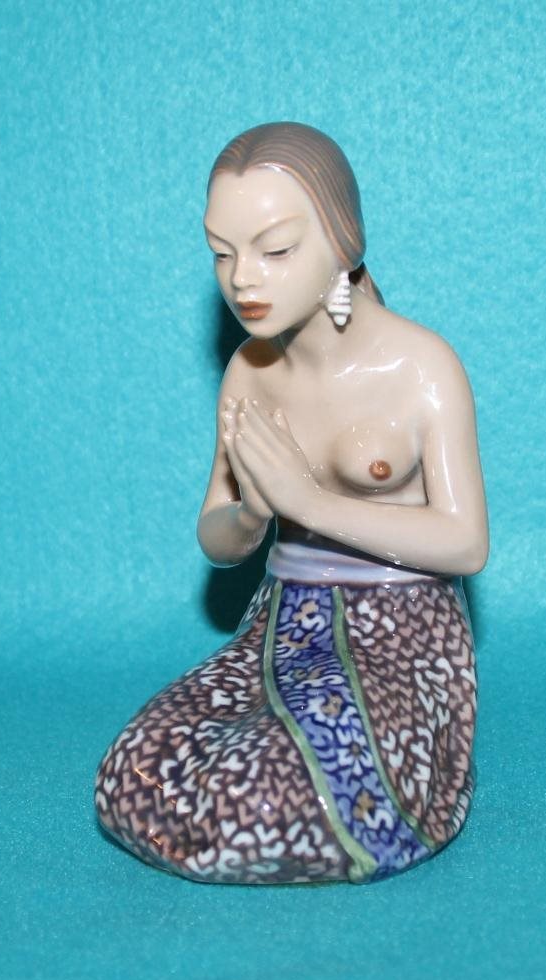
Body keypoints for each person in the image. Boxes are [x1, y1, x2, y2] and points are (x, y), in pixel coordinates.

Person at [95, 122, 488, 884]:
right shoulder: (250, 373)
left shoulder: (422, 367)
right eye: (222, 252)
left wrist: (308, 501)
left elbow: (467, 542)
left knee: (273, 796)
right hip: (282, 623)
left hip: (402, 634)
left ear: (341, 244)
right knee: (137, 768)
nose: (243, 278)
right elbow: (218, 536)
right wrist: (252, 514)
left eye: (274, 250)